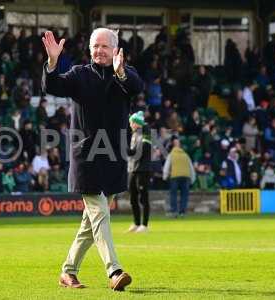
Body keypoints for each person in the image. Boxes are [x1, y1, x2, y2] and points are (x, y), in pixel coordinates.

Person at [42, 28, 143, 291]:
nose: (99, 51)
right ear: (89, 49)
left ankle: (68, 271)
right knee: (100, 215)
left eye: (104, 47)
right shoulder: (79, 74)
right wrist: (53, 62)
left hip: (113, 158)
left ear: (115, 50)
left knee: (91, 222)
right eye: (95, 46)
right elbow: (52, 85)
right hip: (85, 158)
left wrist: (121, 72)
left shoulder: (125, 75)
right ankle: (114, 271)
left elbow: (136, 86)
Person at [127, 111, 152, 233]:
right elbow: (132, 152)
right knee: (133, 197)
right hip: (133, 169)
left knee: (143, 197)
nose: (130, 124)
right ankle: (136, 223)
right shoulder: (134, 135)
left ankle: (145, 225)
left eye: (132, 122)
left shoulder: (145, 132)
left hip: (143, 169)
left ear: (137, 123)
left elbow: (143, 150)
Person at [162, 137, 196, 217]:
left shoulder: (171, 155)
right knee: (184, 195)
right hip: (186, 176)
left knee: (173, 194)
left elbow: (167, 167)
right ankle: (182, 212)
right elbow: (191, 168)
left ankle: (174, 211)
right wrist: (192, 179)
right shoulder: (186, 155)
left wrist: (165, 176)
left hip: (175, 176)